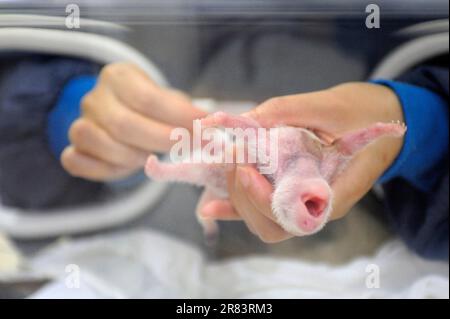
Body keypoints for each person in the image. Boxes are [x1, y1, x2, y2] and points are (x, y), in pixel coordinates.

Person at [0, 56, 448, 260]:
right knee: (205, 185)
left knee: (208, 190)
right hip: (137, 210)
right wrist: (66, 110)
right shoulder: (325, 161)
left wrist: (420, 126)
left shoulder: (276, 165)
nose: (310, 208)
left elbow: (244, 137)